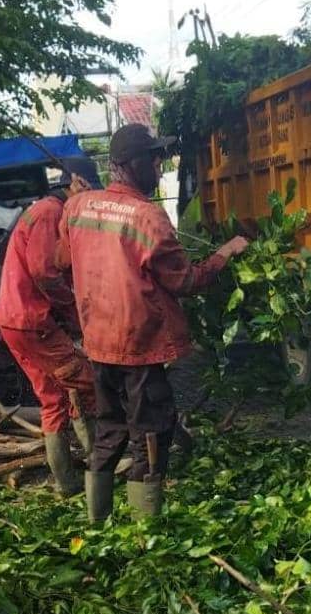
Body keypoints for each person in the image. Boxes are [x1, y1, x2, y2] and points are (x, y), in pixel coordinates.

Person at [65, 124, 249, 520]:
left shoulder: (77, 207)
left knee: (109, 429)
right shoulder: (149, 218)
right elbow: (185, 281)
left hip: (98, 341)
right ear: (132, 165)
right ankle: (143, 533)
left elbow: (73, 258)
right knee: (149, 434)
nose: (159, 164)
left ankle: (96, 523)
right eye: (154, 158)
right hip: (138, 345)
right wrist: (224, 254)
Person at [0, 156, 100, 496]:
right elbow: (45, 273)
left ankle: (67, 484)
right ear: (78, 183)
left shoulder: (42, 210)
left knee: (52, 398)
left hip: (15, 322)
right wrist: (76, 314)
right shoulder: (50, 212)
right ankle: (102, 467)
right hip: (33, 321)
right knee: (86, 383)